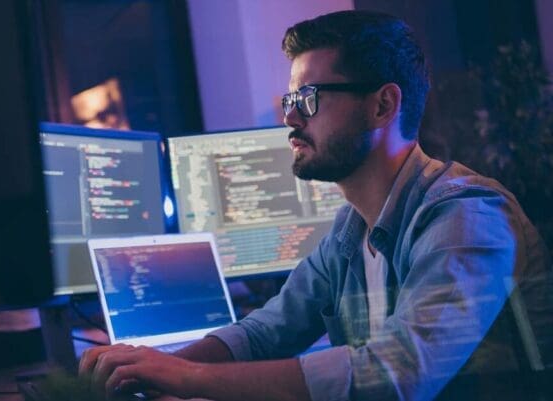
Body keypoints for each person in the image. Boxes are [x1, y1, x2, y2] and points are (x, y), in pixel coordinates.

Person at [79, 10, 552, 401]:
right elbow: (267, 331)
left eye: (308, 98)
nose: (288, 117)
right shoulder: (351, 231)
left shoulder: (466, 216)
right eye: (290, 98)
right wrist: (153, 369)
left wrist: (188, 380)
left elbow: (397, 374)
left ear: (383, 106)